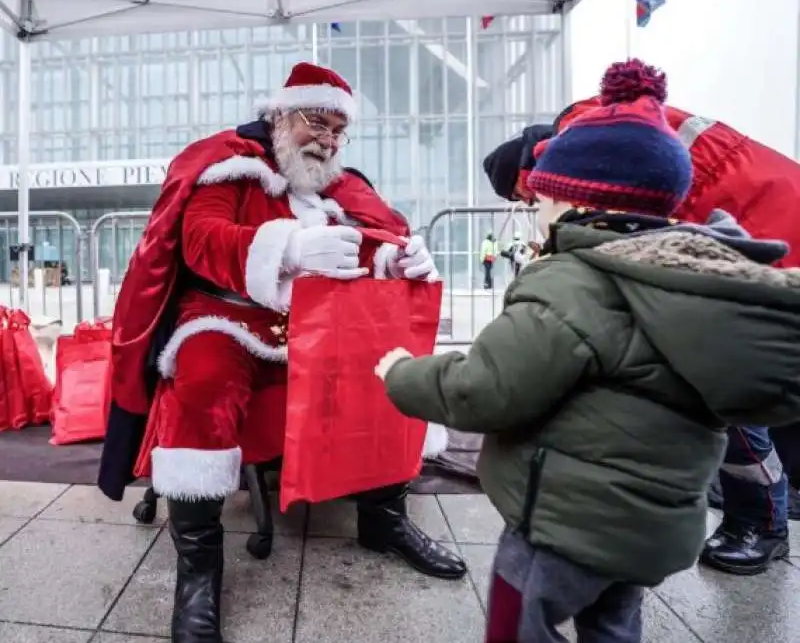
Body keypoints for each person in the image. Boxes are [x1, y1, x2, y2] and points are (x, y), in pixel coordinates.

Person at [373, 60, 800, 643]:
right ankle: (765, 518)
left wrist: (401, 373)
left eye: (537, 202)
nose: (532, 215)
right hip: (650, 532)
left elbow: (484, 388)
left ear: (567, 201)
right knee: (614, 624)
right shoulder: (684, 279)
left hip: (561, 527)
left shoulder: (569, 283)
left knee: (522, 623)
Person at [98, 62, 466, 643]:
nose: (326, 138)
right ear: (279, 116)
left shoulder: (343, 188)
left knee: (392, 373)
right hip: (226, 314)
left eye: (338, 129)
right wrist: (289, 248)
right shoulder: (229, 166)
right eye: (315, 121)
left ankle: (383, 519)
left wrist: (395, 262)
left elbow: (378, 240)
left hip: (320, 326)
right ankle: (199, 570)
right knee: (204, 379)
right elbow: (200, 240)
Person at [546, 62, 800, 576]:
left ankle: (761, 523)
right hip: (765, 253)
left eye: (529, 196)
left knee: (727, 400)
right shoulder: (623, 131)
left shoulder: (605, 144)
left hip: (774, 260)